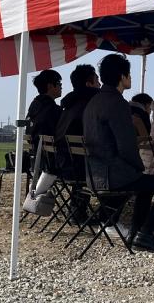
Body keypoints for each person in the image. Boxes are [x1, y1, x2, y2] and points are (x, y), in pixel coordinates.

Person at [83, 54, 154, 253]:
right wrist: (138, 167)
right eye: (129, 74)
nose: (130, 79)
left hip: (95, 174)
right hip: (114, 175)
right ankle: (146, 234)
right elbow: (126, 146)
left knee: (145, 184)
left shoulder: (94, 101)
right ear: (122, 76)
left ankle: (138, 233)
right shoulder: (117, 103)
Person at [53, 64, 100, 224]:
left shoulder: (69, 105)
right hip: (78, 169)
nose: (100, 84)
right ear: (89, 84)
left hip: (62, 164)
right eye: (97, 80)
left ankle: (76, 212)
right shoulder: (91, 105)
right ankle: (106, 217)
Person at [25, 69, 63, 196]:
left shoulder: (33, 107)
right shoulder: (53, 110)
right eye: (59, 83)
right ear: (50, 86)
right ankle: (79, 209)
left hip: (35, 162)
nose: (61, 86)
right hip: (53, 165)